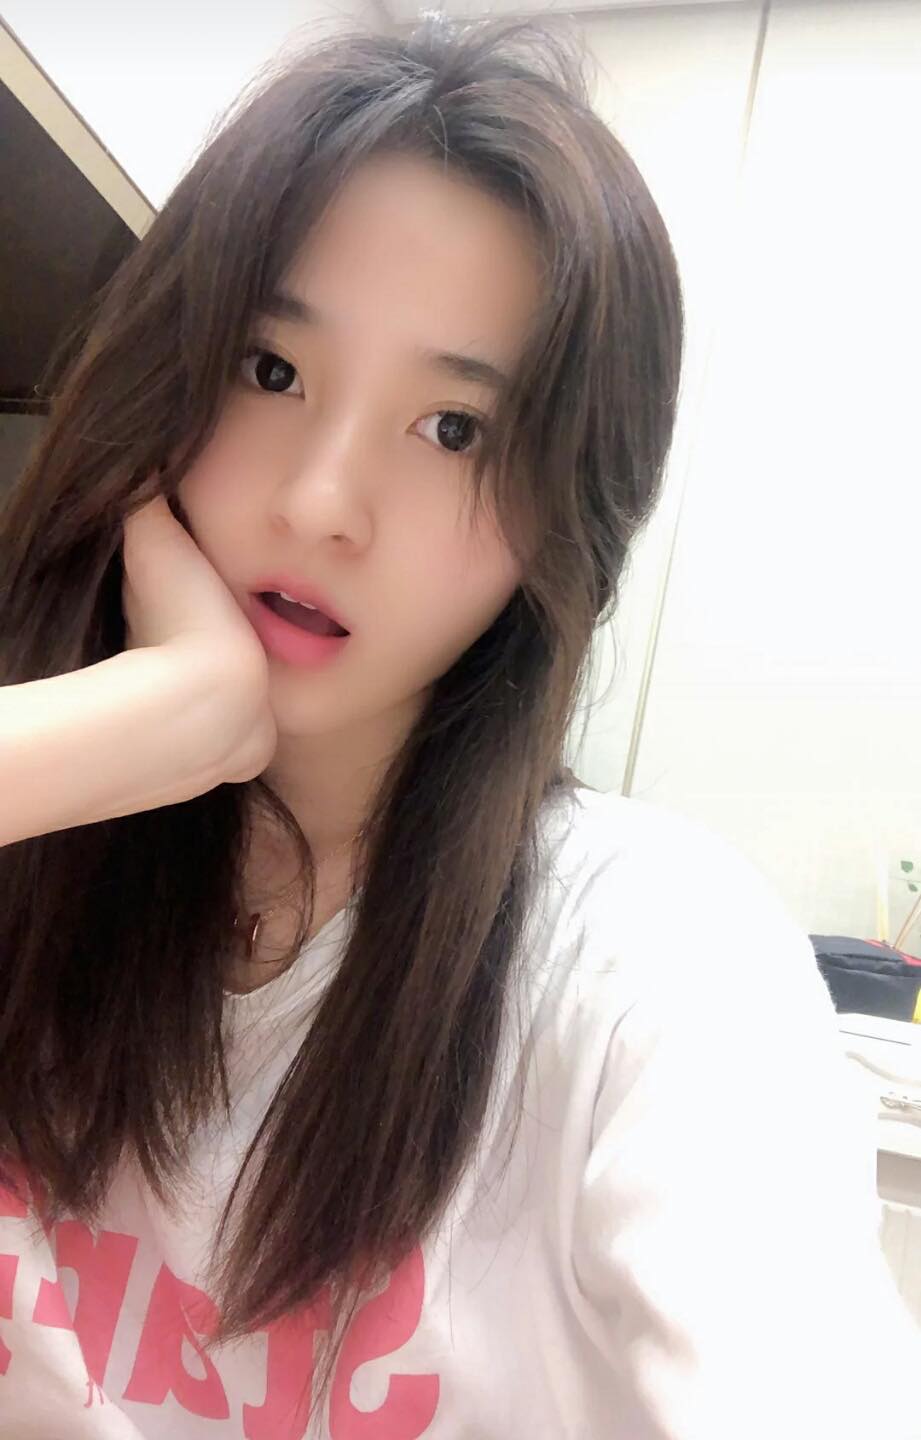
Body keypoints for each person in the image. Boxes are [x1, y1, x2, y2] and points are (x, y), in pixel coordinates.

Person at [0, 16, 916, 1440]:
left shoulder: (649, 958)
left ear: (564, 520)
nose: (320, 503)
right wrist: (84, 747)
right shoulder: (39, 831)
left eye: (455, 431)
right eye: (268, 369)